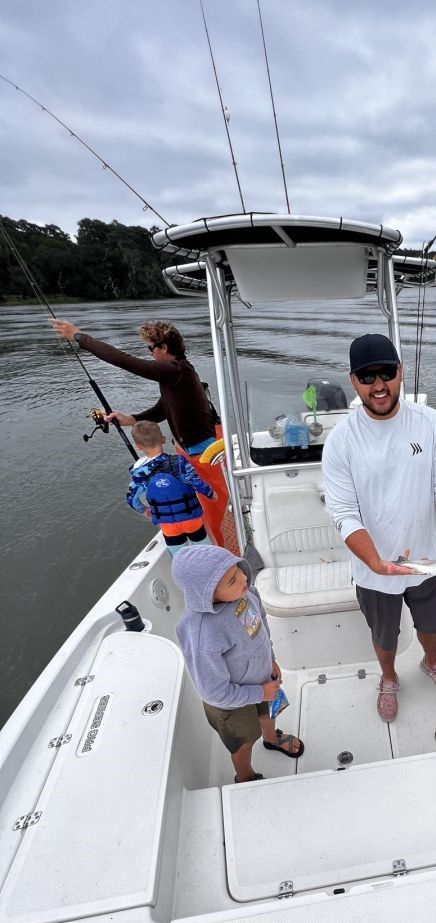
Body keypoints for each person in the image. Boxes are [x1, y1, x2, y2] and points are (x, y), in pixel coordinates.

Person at [322, 332, 436, 722]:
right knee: (384, 636)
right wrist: (375, 562)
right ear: (353, 381)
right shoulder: (340, 443)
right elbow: (343, 513)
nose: (379, 385)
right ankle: (388, 678)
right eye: (367, 377)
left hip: (428, 557)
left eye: (386, 373)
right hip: (375, 568)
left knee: (433, 624)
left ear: (400, 372)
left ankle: (431, 662)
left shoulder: (430, 422)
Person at [50, 317, 230, 547]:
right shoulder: (176, 376)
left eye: (151, 348)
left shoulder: (176, 371)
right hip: (186, 451)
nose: (150, 354)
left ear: (164, 348)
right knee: (194, 509)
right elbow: (161, 409)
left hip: (203, 453)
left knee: (210, 514)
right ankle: (209, 551)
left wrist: (79, 336)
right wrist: (131, 419)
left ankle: (222, 560)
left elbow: (125, 361)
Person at [172, 545, 304, 783]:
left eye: (238, 570)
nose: (244, 577)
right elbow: (213, 693)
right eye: (232, 580)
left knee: (269, 711)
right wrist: (259, 692)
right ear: (208, 594)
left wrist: (270, 658)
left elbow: (260, 621)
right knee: (244, 740)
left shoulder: (246, 592)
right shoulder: (203, 634)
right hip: (231, 702)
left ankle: (272, 739)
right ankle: (245, 775)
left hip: (262, 679)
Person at [127, 420, 215, 556]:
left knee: (180, 557)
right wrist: (210, 493)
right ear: (163, 439)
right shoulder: (179, 462)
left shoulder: (140, 473)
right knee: (206, 553)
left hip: (168, 525)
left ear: (138, 446)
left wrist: (143, 510)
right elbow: (196, 482)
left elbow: (131, 499)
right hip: (191, 519)